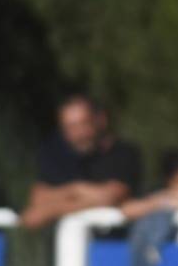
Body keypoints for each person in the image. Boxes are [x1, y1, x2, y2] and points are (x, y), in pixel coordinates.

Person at [20, 94, 141, 229]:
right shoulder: (55, 155)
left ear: (101, 120)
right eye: (70, 127)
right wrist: (77, 191)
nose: (79, 134)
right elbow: (38, 198)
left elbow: (111, 197)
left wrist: (52, 210)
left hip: (114, 245)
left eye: (83, 124)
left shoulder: (123, 154)